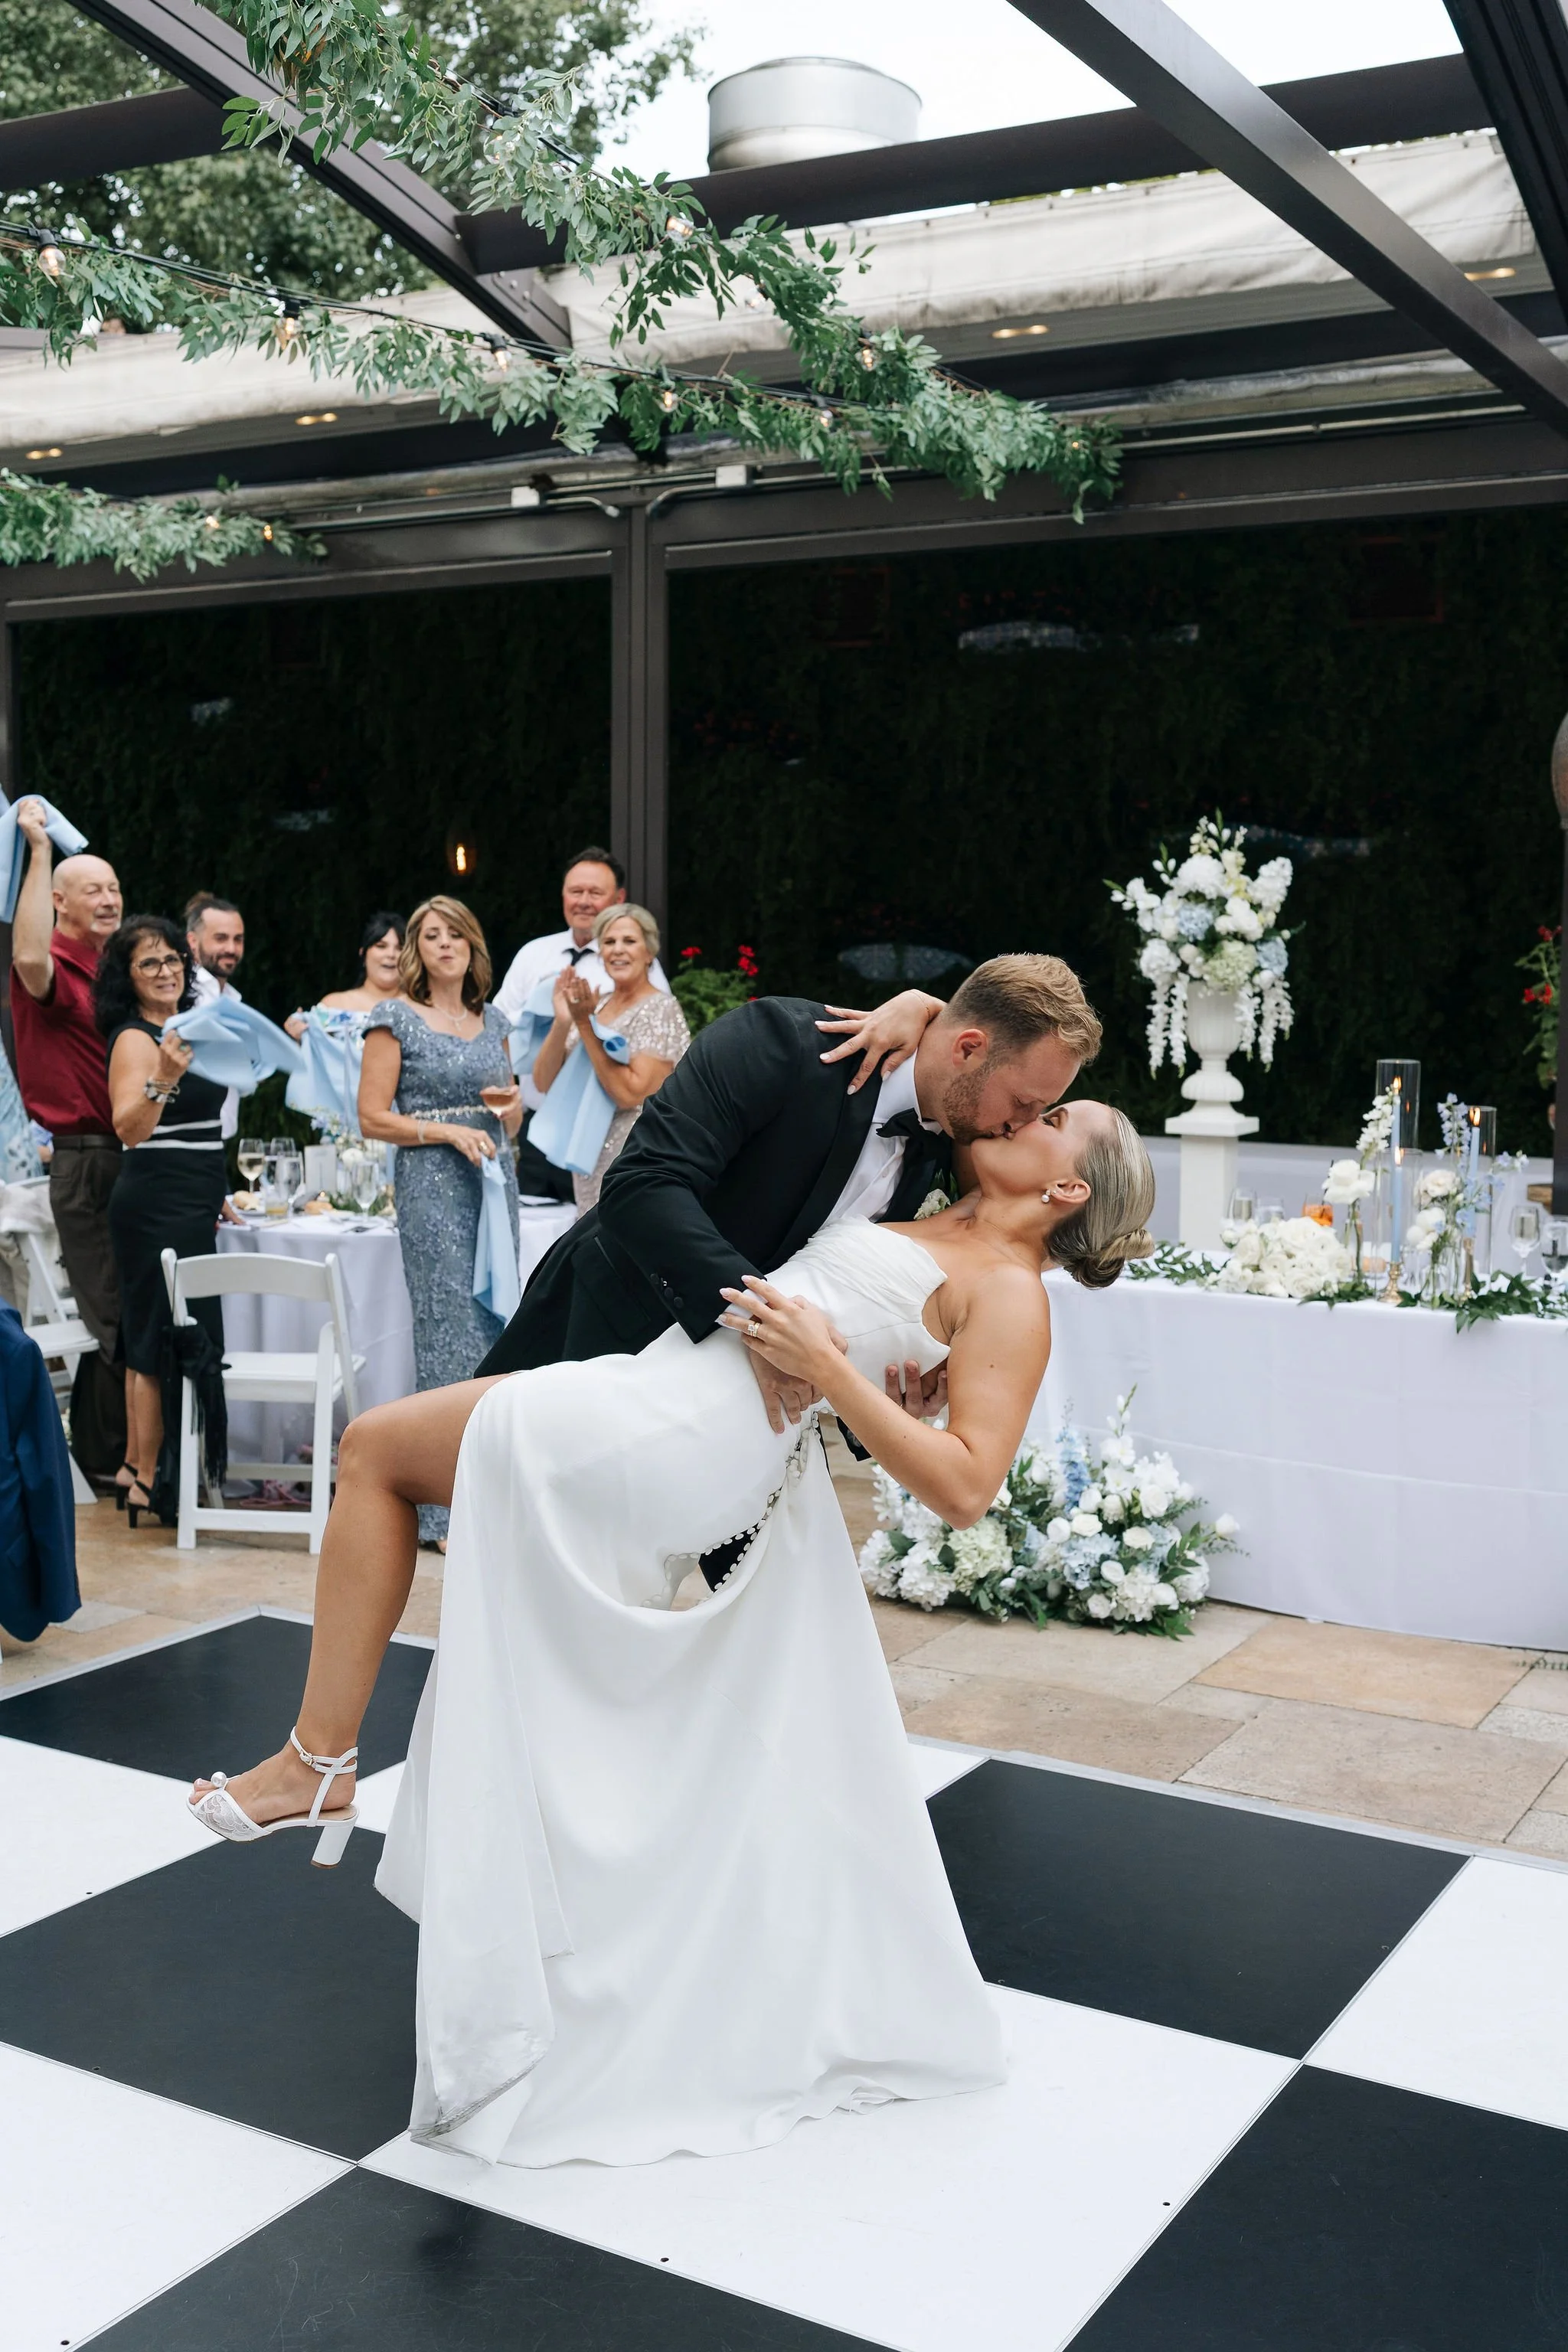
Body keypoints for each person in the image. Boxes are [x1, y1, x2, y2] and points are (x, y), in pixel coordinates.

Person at [186, 1091, 1157, 2171]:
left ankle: (317, 1763)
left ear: (1068, 1187)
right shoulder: (936, 1215)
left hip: (689, 1436)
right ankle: (457, 1869)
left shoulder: (1016, 1295)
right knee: (410, 1489)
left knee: (375, 1449)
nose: (1030, 1108)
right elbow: (889, 1361)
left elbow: (969, 1487)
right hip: (661, 1391)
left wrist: (835, 1376)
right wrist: (883, 1386)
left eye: (1057, 1116)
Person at [358, 896, 522, 1546]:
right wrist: (446, 1132)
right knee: (447, 1328)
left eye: (455, 933)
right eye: (431, 935)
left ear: (472, 945)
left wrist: (510, 1114)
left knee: (493, 1326)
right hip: (434, 1188)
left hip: (493, 1180)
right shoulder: (394, 1017)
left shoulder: (494, 1019)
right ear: (415, 950)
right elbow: (373, 1116)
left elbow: (511, 1107)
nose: (445, 944)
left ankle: (491, 1492)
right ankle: (441, 1509)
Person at [7, 796, 130, 1489]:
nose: (110, 898)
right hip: (86, 1157)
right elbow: (24, 952)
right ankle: (104, 1464)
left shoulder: (117, 967)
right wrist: (38, 849)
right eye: (94, 889)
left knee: (133, 1305)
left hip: (132, 1152)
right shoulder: (49, 960)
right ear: (59, 900)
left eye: (114, 887)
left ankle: (126, 1454)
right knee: (109, 1309)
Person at [96, 916, 230, 1525]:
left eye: (174, 959)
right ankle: (154, 1480)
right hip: (155, 1202)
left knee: (157, 1328)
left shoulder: (189, 1027)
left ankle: (136, 1467)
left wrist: (220, 1185)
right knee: (160, 1335)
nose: (167, 971)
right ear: (127, 978)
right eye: (150, 963)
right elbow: (130, 1127)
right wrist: (165, 1078)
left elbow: (204, 1127)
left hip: (195, 1195)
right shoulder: (136, 1038)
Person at [493, 847, 670, 1204]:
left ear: (618, 898)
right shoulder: (533, 954)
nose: (584, 902)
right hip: (540, 1131)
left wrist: (584, 1022)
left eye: (595, 893)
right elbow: (498, 1032)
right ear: (563, 895)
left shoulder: (640, 975)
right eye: (576, 891)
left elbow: (648, 1059)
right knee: (536, 1247)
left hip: (606, 1132)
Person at [531, 903, 691, 1213]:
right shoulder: (597, 1005)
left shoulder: (660, 1008)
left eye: (629, 941)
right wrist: (564, 1020)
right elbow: (543, 1082)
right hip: (586, 1157)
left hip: (635, 1153)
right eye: (609, 941)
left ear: (649, 952)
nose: (618, 950)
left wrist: (583, 1025)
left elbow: (631, 1094)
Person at [283, 913, 406, 1043]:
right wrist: (298, 1036)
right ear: (363, 954)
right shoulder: (333, 1006)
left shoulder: (422, 1007)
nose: (391, 955)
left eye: (400, 948)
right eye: (381, 946)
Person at [185, 893, 246, 1144]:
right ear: (192, 942)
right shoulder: (181, 993)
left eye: (238, 939)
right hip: (186, 1139)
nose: (231, 949)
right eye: (220, 939)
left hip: (220, 1139)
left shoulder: (233, 1000)